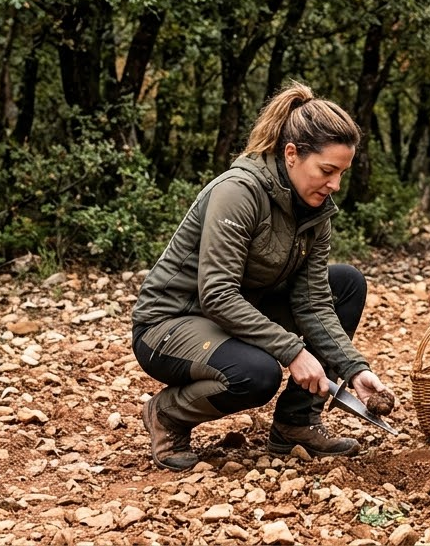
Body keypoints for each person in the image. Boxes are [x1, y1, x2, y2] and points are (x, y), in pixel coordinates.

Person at [131, 82, 395, 471]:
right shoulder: (238, 192)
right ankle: (168, 413)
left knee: (346, 283)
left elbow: (314, 302)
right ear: (292, 154)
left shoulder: (315, 208)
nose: (335, 184)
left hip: (235, 314)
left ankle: (295, 424)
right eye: (327, 170)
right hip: (171, 324)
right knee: (257, 374)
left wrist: (355, 369)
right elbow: (217, 294)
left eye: (342, 173)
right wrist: (293, 351)